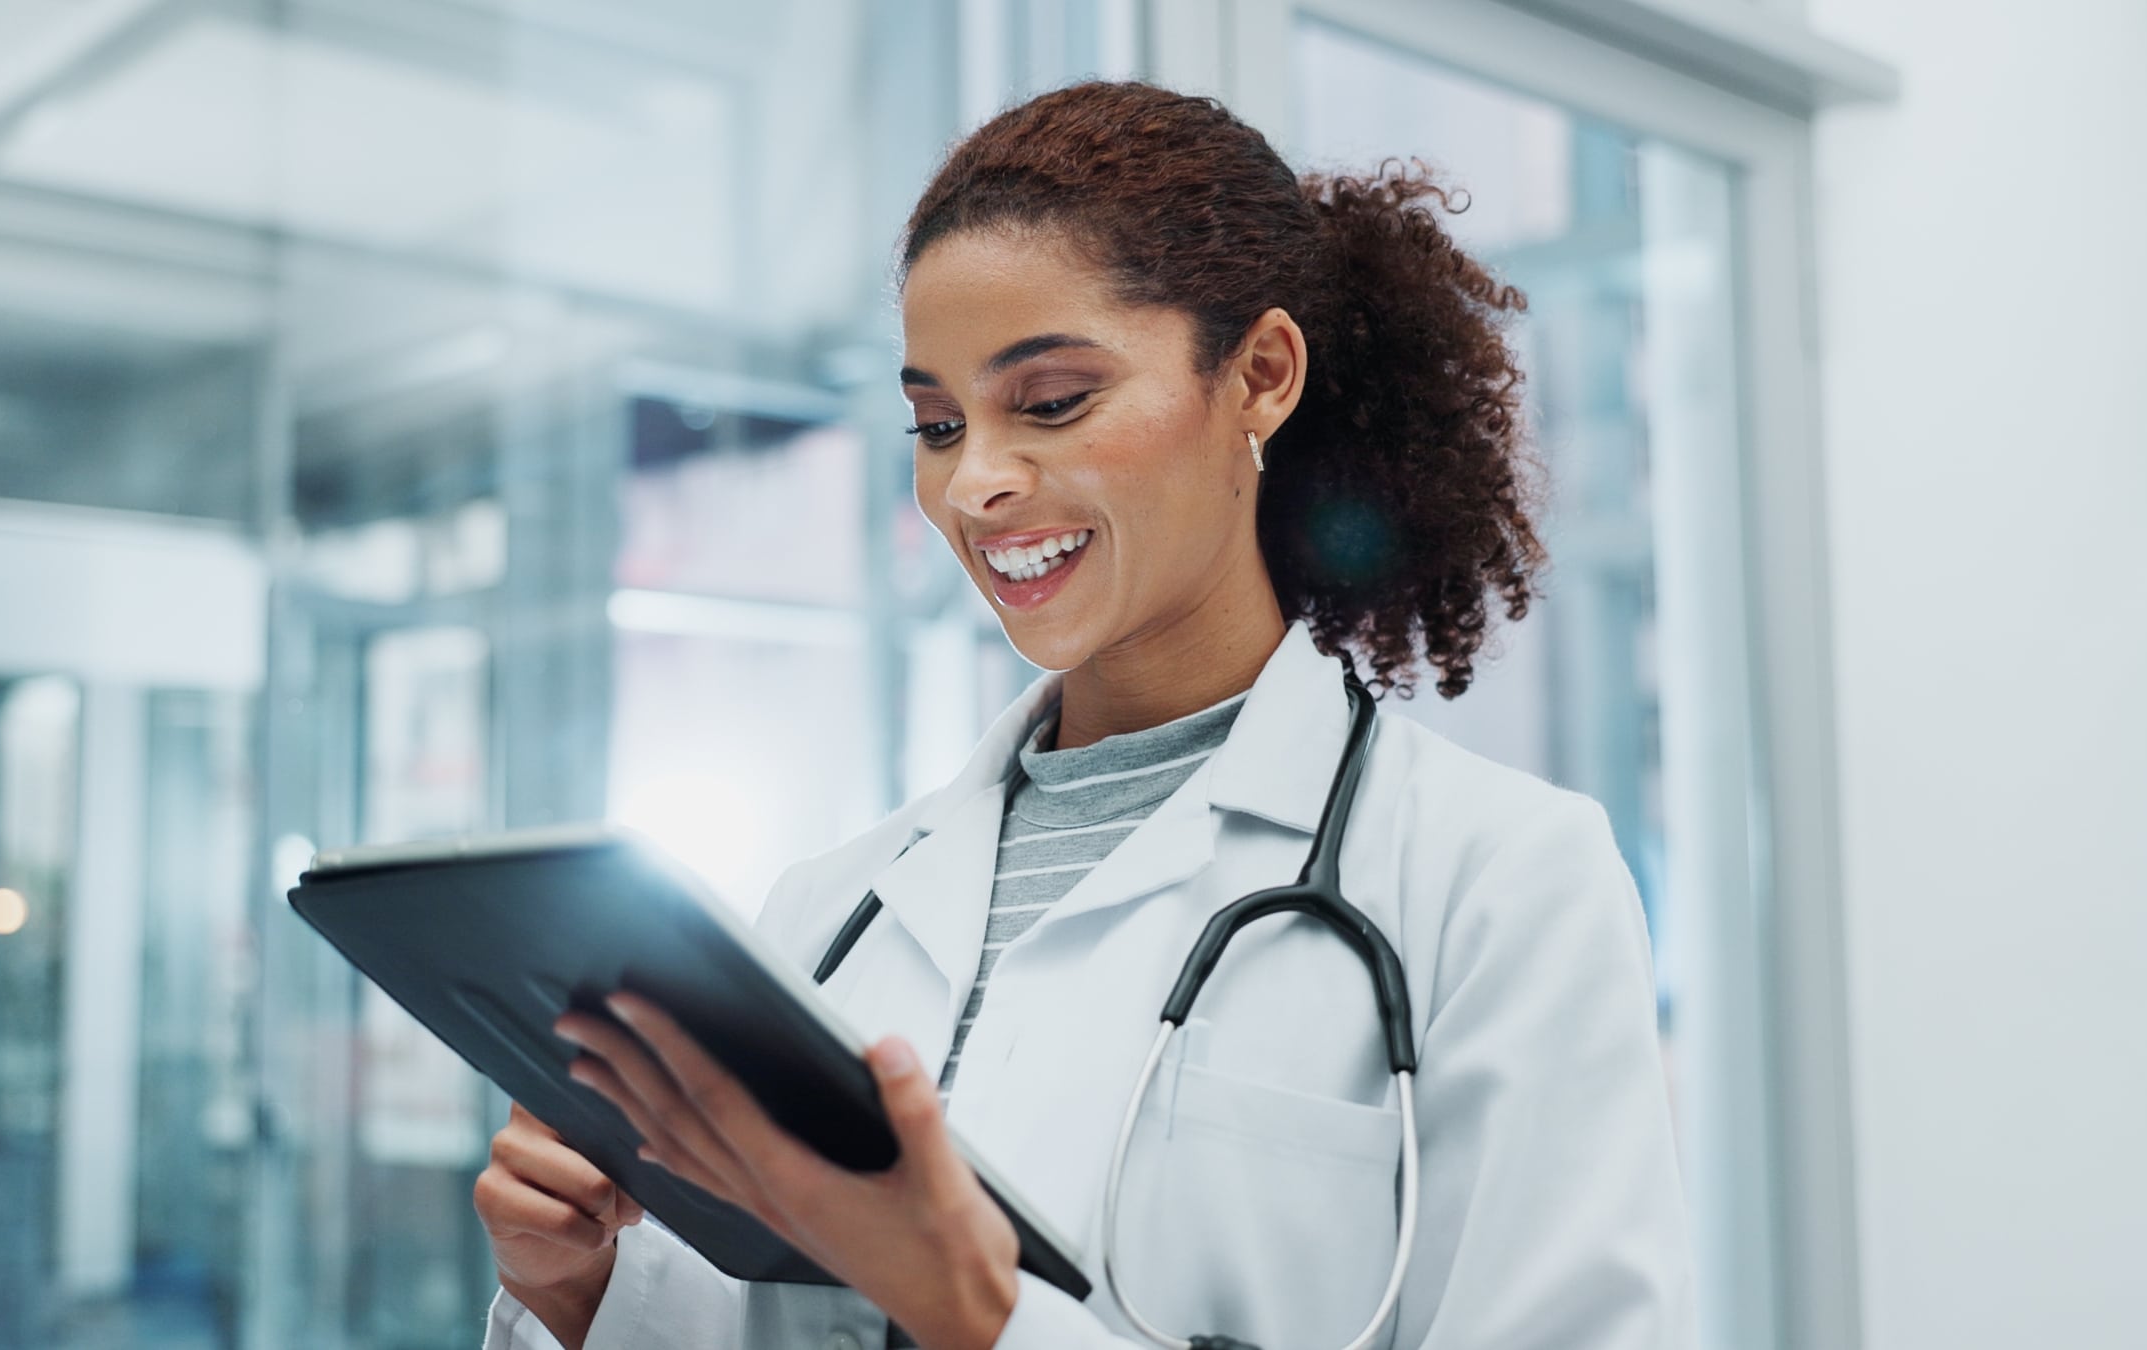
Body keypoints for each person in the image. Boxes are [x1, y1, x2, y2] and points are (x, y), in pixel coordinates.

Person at [473, 79, 1694, 1350]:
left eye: (1050, 402)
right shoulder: (832, 909)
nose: (976, 484)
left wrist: (981, 1321)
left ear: (1261, 376)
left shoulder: (1495, 883)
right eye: (936, 423)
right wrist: (577, 1293)